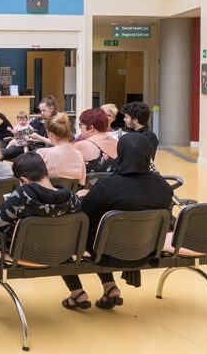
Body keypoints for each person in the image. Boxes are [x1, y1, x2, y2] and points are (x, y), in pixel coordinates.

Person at [59, 134, 173, 310]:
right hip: (146, 251)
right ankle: (109, 287)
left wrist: (84, 197)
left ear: (121, 153)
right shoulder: (163, 187)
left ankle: (77, 292)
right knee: (107, 232)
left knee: (70, 233)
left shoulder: (108, 187)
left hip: (106, 254)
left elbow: (85, 217)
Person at [0, 152, 81, 297]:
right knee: (54, 234)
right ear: (47, 172)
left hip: (23, 254)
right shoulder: (71, 198)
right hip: (57, 253)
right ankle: (77, 291)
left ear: (24, 180)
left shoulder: (22, 196)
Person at [35, 113, 86, 187]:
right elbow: (82, 183)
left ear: (50, 134)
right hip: (69, 196)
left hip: (44, 196)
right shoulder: (78, 155)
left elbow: (31, 181)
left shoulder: (42, 153)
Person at [73, 108, 118, 174]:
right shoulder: (117, 142)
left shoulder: (81, 145)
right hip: (116, 183)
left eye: (81, 125)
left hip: (93, 184)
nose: (80, 128)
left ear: (91, 128)